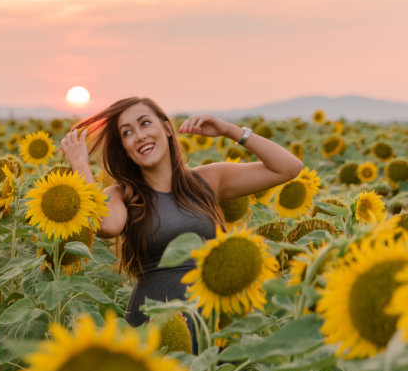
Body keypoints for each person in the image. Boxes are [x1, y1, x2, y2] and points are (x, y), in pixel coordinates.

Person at [60, 97, 302, 349]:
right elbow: (107, 226)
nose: (139, 136)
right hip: (155, 323)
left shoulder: (208, 180)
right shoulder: (122, 195)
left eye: (145, 123)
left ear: (167, 128)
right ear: (124, 148)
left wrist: (230, 131)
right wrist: (80, 165)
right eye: (127, 133)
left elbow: (288, 168)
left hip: (215, 321)